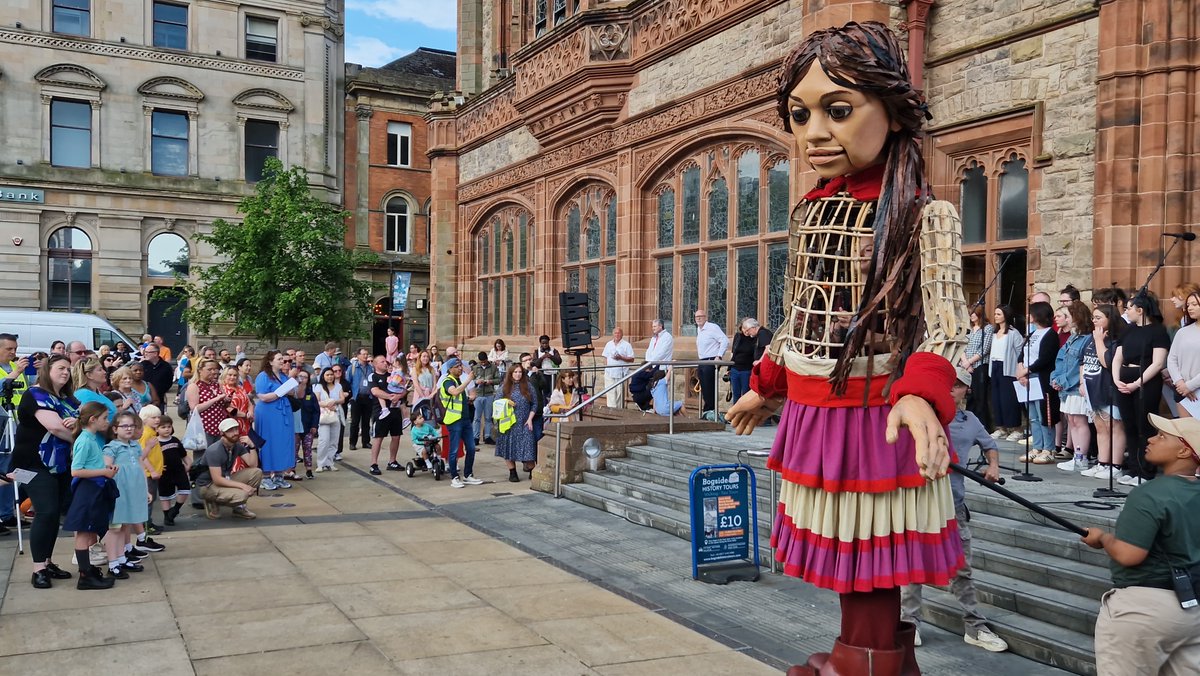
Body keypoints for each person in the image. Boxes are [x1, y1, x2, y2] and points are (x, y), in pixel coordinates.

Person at [724, 22, 969, 674]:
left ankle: (871, 659)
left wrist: (921, 394)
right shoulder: (812, 209)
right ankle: (858, 654)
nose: (813, 133)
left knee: (870, 553)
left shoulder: (925, 214)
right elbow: (802, 312)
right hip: (816, 404)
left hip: (876, 407)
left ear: (890, 109)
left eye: (838, 110)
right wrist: (766, 380)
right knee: (848, 555)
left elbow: (946, 321)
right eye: (800, 115)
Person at [1081, 413, 1200, 675]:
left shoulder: (1150, 493)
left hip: (1144, 610)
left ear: (1183, 450)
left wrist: (1102, 538)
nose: (1151, 438)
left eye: (1161, 436)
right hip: (1192, 608)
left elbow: (1129, 555)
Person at [901, 368, 1008, 653]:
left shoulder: (970, 420)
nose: (951, 390)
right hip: (920, 502)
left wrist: (993, 465)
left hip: (954, 505)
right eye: (949, 384)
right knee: (914, 565)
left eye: (958, 385)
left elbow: (990, 445)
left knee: (962, 568)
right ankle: (909, 623)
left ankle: (975, 626)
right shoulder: (923, 415)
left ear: (966, 391)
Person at [13, 354, 79, 588]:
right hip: (31, 463)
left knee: (53, 515)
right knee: (46, 511)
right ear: (47, 370)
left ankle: (48, 562)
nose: (65, 372)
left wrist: (79, 426)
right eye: (61, 368)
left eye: (68, 369)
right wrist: (80, 437)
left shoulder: (67, 399)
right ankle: (38, 568)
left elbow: (86, 420)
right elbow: (55, 427)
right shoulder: (36, 394)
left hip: (60, 464)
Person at [1112, 292, 1171, 485]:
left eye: (1129, 308)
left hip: (1146, 381)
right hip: (1124, 379)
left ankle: (1146, 470)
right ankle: (1132, 467)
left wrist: (1136, 384)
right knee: (1129, 424)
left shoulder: (1157, 331)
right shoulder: (1128, 330)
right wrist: (1116, 379)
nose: (1126, 311)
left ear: (1140, 310)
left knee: (1144, 426)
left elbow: (1158, 363)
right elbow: (1118, 356)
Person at [65, 402, 117, 589]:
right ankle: (85, 575)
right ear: (93, 420)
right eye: (104, 418)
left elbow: (89, 465)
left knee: (88, 531)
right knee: (83, 532)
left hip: (93, 489)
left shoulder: (90, 438)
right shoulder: (85, 440)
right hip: (88, 490)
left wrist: (104, 469)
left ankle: (88, 570)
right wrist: (104, 472)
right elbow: (76, 471)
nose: (108, 422)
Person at [1083, 305, 1126, 481]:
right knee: (1100, 427)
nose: (1094, 321)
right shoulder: (1093, 337)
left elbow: (1107, 361)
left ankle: (1116, 465)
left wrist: (1100, 340)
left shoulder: (1115, 339)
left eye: (1099, 317)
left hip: (1109, 387)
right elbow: (1084, 360)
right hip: (1093, 387)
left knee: (1114, 426)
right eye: (1093, 317)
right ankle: (1102, 462)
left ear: (1110, 318)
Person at [1017, 301, 1061, 464]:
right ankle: (1037, 447)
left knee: (1045, 415)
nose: (1029, 316)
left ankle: (1048, 449)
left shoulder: (1050, 335)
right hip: (1028, 378)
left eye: (1032, 313)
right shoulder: (1032, 333)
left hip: (1041, 379)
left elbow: (1045, 359)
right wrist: (1020, 370)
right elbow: (1022, 354)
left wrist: (1026, 371)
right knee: (1033, 416)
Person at [1052, 302, 1094, 472]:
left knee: (1079, 420)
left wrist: (1062, 381)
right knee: (1071, 420)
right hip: (1066, 387)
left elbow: (1080, 366)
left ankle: (1081, 457)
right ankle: (1077, 455)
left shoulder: (1087, 339)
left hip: (1076, 386)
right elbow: (1060, 360)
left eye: (1068, 317)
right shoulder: (1072, 338)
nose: (1066, 320)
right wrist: (1055, 378)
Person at [195, 417, 262, 520]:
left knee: (257, 473)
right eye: (230, 430)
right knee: (242, 495)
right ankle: (213, 501)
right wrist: (242, 486)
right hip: (207, 485)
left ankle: (238, 508)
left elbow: (253, 465)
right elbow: (217, 479)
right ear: (222, 433)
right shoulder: (215, 450)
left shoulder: (237, 446)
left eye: (236, 429)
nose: (235, 432)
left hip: (224, 479)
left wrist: (252, 446)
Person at [254, 351, 298, 491]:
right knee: (269, 442)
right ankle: (266, 476)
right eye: (279, 359)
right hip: (268, 413)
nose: (283, 362)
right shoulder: (263, 376)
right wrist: (280, 392)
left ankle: (279, 475)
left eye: (284, 360)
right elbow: (263, 396)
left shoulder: (284, 376)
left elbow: (293, 392)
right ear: (270, 361)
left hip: (283, 412)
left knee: (283, 442)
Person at [440, 357, 483, 488]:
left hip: (464, 419)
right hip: (454, 420)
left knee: (471, 448)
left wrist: (468, 399)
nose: (460, 368)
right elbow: (455, 392)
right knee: (454, 449)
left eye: (460, 366)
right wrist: (469, 380)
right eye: (457, 366)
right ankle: (454, 477)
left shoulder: (458, 380)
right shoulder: (447, 381)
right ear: (450, 369)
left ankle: (468, 475)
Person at [494, 362, 537, 482]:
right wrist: (506, 402)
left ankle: (532, 469)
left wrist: (530, 419)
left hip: (524, 421)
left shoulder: (528, 386)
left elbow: (534, 403)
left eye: (520, 372)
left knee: (528, 447)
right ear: (511, 373)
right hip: (509, 423)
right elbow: (496, 401)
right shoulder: (505, 386)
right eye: (515, 372)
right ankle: (512, 472)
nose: (518, 375)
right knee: (508, 447)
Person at [989, 305, 1024, 441]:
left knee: (1008, 399)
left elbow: (1020, 351)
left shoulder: (1013, 333)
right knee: (996, 398)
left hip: (1008, 367)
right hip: (995, 366)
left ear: (1006, 316)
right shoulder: (994, 332)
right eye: (995, 314)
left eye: (999, 314)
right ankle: (1001, 428)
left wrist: (1019, 369)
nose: (996, 316)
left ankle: (1016, 428)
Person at [367, 355, 406, 475]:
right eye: (382, 361)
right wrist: (390, 396)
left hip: (395, 409)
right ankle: (374, 463)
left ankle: (392, 461)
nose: (385, 363)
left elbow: (403, 388)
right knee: (378, 437)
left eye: (386, 361)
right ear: (375, 364)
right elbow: (375, 391)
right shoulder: (373, 376)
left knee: (396, 436)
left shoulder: (393, 375)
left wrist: (399, 396)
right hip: (380, 410)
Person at [960, 306, 994, 431]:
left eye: (974, 313)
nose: (972, 315)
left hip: (979, 365)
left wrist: (970, 362)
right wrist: (965, 363)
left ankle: (983, 426)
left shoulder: (987, 328)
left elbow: (984, 349)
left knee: (980, 396)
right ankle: (969, 424)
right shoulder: (968, 330)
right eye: (970, 313)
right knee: (969, 396)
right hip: (966, 367)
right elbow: (962, 345)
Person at [1168, 291, 1200, 418]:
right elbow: (1172, 359)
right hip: (1183, 391)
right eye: (1188, 305)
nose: (1190, 308)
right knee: (1186, 433)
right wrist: (1180, 383)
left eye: (1194, 304)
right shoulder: (1183, 332)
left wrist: (1190, 386)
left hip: (1193, 388)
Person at [694, 309, 730, 416]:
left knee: (709, 387)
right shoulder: (699, 329)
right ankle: (707, 411)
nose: (699, 318)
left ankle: (710, 411)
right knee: (704, 387)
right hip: (702, 360)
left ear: (706, 317)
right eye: (696, 317)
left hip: (711, 360)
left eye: (701, 316)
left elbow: (724, 340)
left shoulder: (712, 327)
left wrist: (719, 356)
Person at [154, 417, 189, 525]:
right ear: (156, 429)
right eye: (163, 427)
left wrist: (188, 465)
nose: (167, 429)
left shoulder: (175, 440)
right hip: (164, 473)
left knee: (185, 489)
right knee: (165, 495)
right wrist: (156, 468)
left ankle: (175, 509)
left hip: (178, 470)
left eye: (169, 426)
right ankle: (167, 516)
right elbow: (150, 458)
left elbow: (184, 455)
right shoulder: (154, 443)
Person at [730, 318, 772, 404]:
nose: (748, 333)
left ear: (752, 327)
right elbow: (733, 352)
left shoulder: (762, 333)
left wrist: (759, 361)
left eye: (748, 331)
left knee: (748, 394)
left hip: (749, 368)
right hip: (736, 368)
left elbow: (768, 348)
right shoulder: (740, 336)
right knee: (736, 394)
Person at [73, 357, 127, 421]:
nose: (104, 372)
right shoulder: (84, 395)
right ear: (89, 375)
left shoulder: (96, 392)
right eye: (100, 370)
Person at [314, 367, 345, 472]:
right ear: (323, 376)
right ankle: (321, 463)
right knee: (324, 440)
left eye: (331, 374)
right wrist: (327, 405)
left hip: (335, 415)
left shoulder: (338, 385)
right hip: (324, 415)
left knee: (334, 440)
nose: (330, 376)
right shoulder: (319, 387)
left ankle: (329, 462)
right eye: (327, 375)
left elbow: (342, 399)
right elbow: (316, 400)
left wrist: (334, 402)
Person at [289, 369, 319, 479]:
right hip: (295, 427)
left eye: (305, 377)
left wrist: (314, 425)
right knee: (294, 449)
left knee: (307, 448)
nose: (302, 379)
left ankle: (309, 470)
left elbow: (316, 411)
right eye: (300, 376)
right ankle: (292, 469)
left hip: (307, 426)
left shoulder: (311, 394)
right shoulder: (293, 393)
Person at [347, 348, 374, 450]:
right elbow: (348, 381)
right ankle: (352, 442)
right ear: (358, 356)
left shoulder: (371, 368)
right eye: (363, 354)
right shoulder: (352, 368)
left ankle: (366, 441)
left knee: (366, 421)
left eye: (367, 354)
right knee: (355, 421)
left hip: (368, 397)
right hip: (356, 397)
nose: (365, 356)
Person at [602, 328, 635, 409]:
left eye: (619, 333)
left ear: (622, 334)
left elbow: (632, 359)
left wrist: (621, 358)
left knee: (620, 394)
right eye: (615, 333)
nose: (617, 335)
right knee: (610, 393)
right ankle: (611, 411)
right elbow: (605, 357)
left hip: (621, 374)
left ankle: (619, 411)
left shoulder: (626, 345)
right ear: (613, 334)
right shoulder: (608, 344)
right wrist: (606, 367)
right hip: (609, 373)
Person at [472, 352, 500, 445]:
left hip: (489, 394)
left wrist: (490, 381)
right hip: (478, 394)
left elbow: (498, 379)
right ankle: (475, 437)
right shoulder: (475, 368)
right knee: (477, 417)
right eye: (481, 362)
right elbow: (470, 380)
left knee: (488, 417)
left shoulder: (493, 367)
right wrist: (476, 382)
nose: (483, 363)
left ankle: (487, 436)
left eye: (484, 362)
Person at [138, 343, 173, 408]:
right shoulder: (142, 365)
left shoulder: (166, 366)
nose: (145, 354)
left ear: (155, 353)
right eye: (145, 352)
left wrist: (159, 391)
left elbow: (169, 382)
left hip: (159, 399)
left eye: (148, 352)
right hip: (144, 399)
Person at [376, 356, 409, 421]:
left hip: (394, 389)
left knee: (380, 395)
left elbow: (394, 382)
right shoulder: (400, 371)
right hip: (398, 389)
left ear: (397, 362)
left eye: (394, 362)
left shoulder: (398, 372)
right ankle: (405, 418)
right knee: (398, 403)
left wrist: (389, 380)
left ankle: (384, 409)